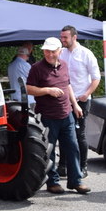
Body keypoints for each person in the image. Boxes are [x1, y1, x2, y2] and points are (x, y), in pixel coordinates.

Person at [26, 37, 91, 195]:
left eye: (52, 51)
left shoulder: (64, 65)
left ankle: (76, 181)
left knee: (73, 148)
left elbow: (67, 85)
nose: (48, 54)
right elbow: (28, 88)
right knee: (49, 151)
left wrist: (75, 105)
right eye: (46, 51)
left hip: (66, 114)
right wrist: (47, 90)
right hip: (48, 116)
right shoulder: (37, 68)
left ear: (59, 51)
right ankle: (53, 182)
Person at [58, 25, 101, 178]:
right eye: (61, 37)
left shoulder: (86, 54)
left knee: (79, 134)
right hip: (64, 100)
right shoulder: (61, 53)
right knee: (63, 134)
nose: (62, 40)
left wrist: (86, 94)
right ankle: (62, 166)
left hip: (81, 100)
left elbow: (96, 78)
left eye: (65, 37)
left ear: (74, 37)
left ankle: (83, 166)